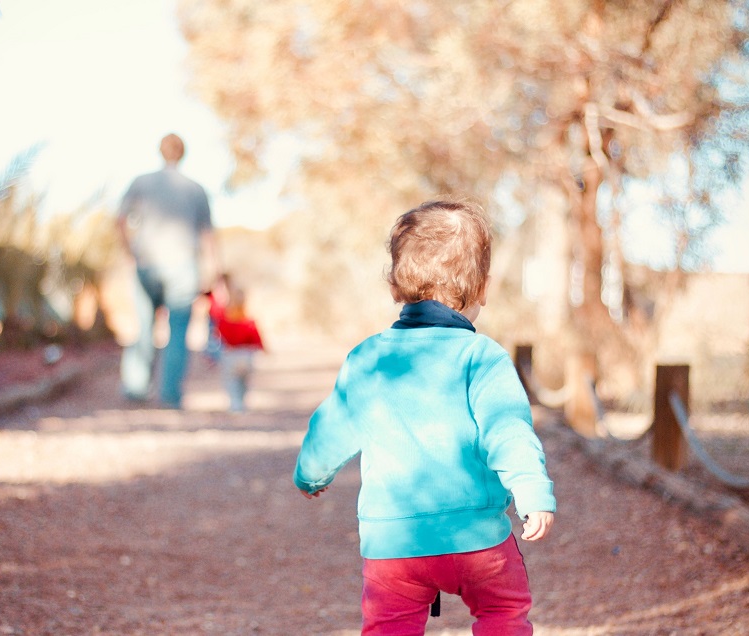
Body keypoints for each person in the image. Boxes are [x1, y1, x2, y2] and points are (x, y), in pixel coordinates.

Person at [293, 199, 556, 635]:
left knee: (389, 627)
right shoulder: (482, 357)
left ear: (396, 287)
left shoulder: (368, 358)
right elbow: (508, 430)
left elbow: (331, 427)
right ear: (483, 288)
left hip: (394, 546)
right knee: (503, 613)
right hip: (478, 541)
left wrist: (311, 474)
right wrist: (532, 491)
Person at [116, 133, 220, 408]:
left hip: (146, 262)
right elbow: (208, 234)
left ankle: (136, 389)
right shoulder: (196, 189)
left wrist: (130, 252)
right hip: (183, 267)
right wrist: (214, 271)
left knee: (144, 326)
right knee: (177, 330)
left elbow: (120, 220)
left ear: (160, 152)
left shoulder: (140, 182)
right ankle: (170, 395)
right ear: (183, 154)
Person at [206, 274, 265, 412]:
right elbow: (257, 339)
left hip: (231, 355)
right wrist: (264, 349)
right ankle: (242, 402)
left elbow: (217, 335)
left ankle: (235, 404)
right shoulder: (250, 322)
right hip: (247, 356)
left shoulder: (225, 321)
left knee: (231, 382)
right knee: (244, 381)